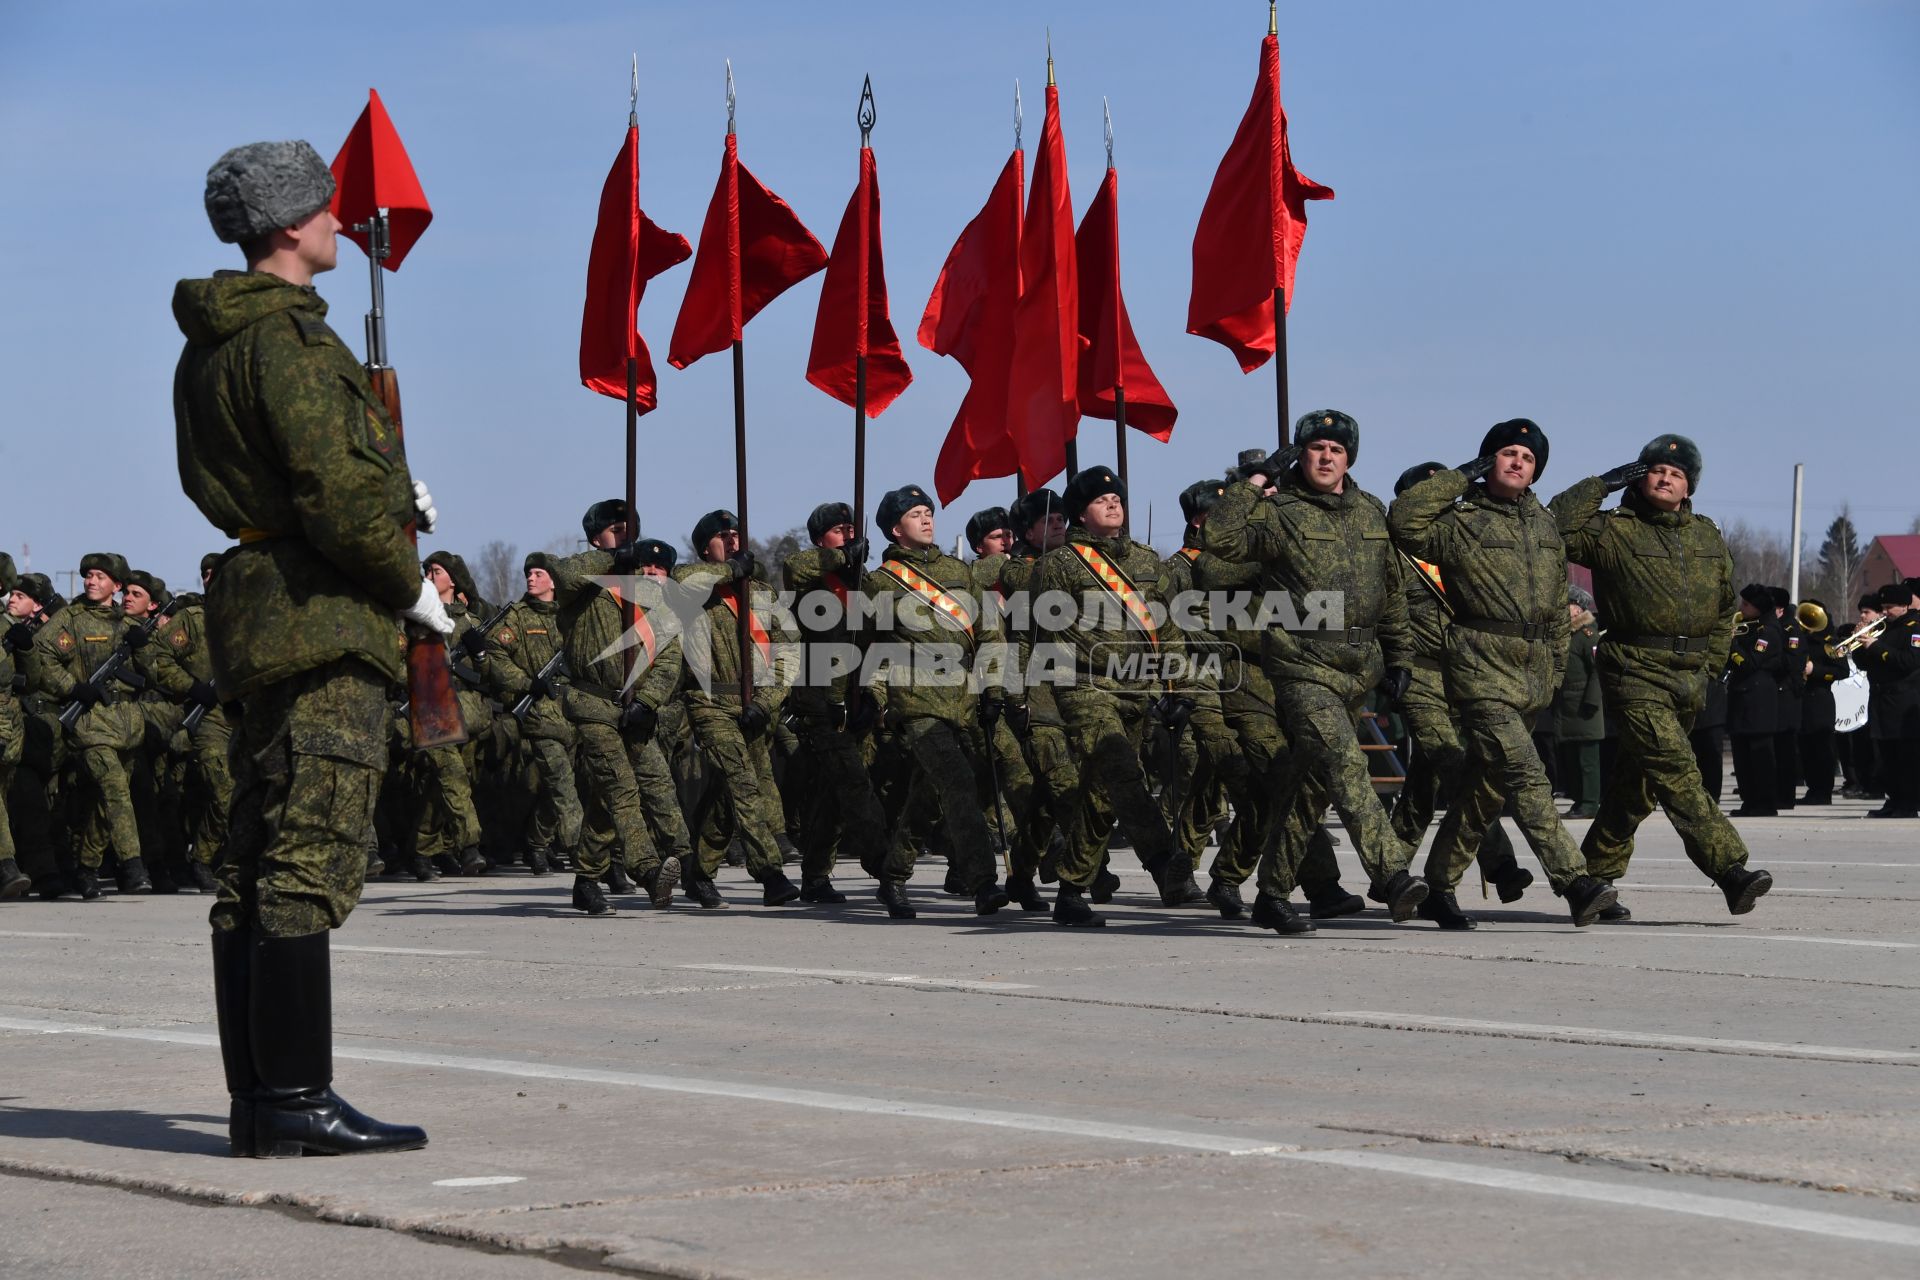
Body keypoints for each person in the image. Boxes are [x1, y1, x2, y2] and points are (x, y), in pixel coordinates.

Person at [175, 138, 444, 1156]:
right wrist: (411, 579)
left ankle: (260, 1100)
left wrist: (386, 492)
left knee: (256, 852)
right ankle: (293, 1098)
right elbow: (332, 489)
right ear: (290, 227)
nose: (339, 224)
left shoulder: (214, 340)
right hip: (321, 612)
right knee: (310, 850)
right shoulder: (286, 340)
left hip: (263, 606)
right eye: (326, 211)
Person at [1204, 411, 1427, 934]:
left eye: (1336, 449)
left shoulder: (1372, 511)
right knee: (1347, 764)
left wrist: (1399, 657)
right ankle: (1391, 872)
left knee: (1310, 785)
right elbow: (1220, 538)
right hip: (1302, 665)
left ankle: (1273, 894)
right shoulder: (1278, 512)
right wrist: (1255, 481)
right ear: (1299, 456)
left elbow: (1390, 591)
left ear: (1349, 457)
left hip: (1357, 668)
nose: (1326, 457)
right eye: (1316, 448)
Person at [1390, 420, 1618, 928]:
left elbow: (1559, 606)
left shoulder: (1542, 524)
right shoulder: (1459, 520)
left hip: (1532, 673)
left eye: (1527, 457)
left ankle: (1440, 888)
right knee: (1526, 775)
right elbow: (1404, 520)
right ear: (1487, 460)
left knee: (1485, 788)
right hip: (1481, 667)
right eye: (1506, 453)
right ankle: (1575, 881)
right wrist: (1458, 477)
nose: (1517, 462)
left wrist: (1556, 666)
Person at [1552, 433, 1772, 917]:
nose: (1666, 477)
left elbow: (1721, 609)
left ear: (1689, 488)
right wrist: (1602, 485)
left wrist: (1713, 665)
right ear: (1639, 475)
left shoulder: (1706, 534)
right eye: (1655, 469)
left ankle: (1591, 883)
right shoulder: (1614, 530)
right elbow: (1556, 528)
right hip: (1636, 669)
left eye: (1676, 474)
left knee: (1637, 786)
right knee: (1677, 772)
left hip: (1690, 676)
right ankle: (1731, 870)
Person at [1033, 467, 1209, 927]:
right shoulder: (1061, 563)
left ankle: (1072, 889)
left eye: (1117, 498)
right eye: (1099, 500)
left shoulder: (1149, 561)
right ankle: (1165, 867)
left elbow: (1169, 627)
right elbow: (1039, 633)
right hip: (1085, 686)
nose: (1112, 504)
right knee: (1118, 770)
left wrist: (1179, 686)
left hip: (1139, 688)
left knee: (1105, 790)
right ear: (1079, 515)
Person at [862, 484, 1012, 916]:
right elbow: (872, 647)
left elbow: (990, 635)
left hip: (964, 697)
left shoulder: (960, 572)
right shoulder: (879, 583)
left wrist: (993, 689)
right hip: (916, 698)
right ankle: (983, 882)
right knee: (958, 781)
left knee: (929, 794)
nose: (927, 519)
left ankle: (893, 877)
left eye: (928, 511)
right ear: (895, 529)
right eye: (915, 514)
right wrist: (872, 698)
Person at [29, 552, 151, 897]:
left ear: (117, 584)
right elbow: (40, 655)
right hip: (90, 723)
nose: (91, 581)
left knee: (106, 801)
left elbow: (153, 674)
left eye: (99, 576)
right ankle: (133, 865)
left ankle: (87, 867)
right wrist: (71, 687)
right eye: (88, 575)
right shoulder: (70, 618)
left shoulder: (129, 624)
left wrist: (143, 650)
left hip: (127, 723)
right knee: (115, 788)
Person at [1857, 580, 1920, 818]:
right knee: (1886, 757)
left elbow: (1910, 662)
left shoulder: (1914, 627)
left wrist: (1876, 646)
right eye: (1884, 606)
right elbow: (1865, 664)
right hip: (1882, 700)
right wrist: (1860, 643)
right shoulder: (1886, 627)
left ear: (1904, 606)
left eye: (1890, 606)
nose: (1885, 611)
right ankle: (1893, 800)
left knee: (1905, 758)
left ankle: (1908, 804)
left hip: (1903, 700)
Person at [1727, 583, 1785, 818]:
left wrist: (1731, 644)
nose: (1741, 608)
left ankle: (1764, 802)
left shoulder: (1768, 631)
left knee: (1759, 755)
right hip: (1742, 698)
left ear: (1758, 607)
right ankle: (1749, 800)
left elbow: (1750, 663)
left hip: (1758, 699)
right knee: (1742, 757)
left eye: (1746, 604)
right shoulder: (1751, 627)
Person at [1558, 586, 1604, 818]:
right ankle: (1579, 801)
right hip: (1568, 707)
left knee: (1587, 762)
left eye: (1567, 605)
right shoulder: (1569, 635)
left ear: (1577, 608)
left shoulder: (1588, 636)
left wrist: (1591, 701)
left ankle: (1589, 803)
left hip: (1585, 708)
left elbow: (1597, 671)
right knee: (1572, 761)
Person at [1797, 598, 1847, 805]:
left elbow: (1843, 671)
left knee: (1822, 748)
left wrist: (1815, 671)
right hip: (1802, 698)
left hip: (1820, 698)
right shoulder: (1800, 639)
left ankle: (1823, 791)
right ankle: (1813, 788)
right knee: (1806, 747)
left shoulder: (1832, 642)